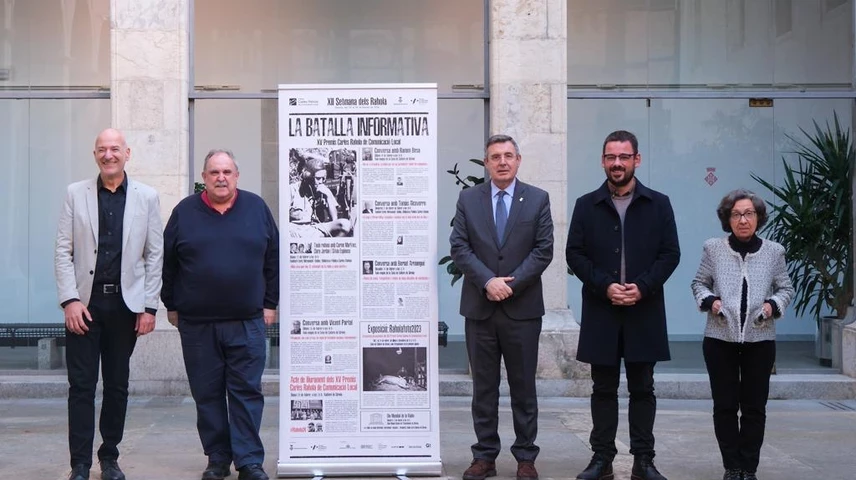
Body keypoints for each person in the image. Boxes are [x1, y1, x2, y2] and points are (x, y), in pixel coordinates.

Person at [566, 130, 680, 480]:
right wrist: (605, 286)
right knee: (602, 390)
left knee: (643, 389)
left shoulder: (658, 203)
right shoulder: (587, 204)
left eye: (624, 157)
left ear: (636, 160)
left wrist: (642, 288)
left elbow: (670, 254)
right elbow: (574, 253)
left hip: (643, 311)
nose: (617, 163)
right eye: (611, 157)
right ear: (603, 161)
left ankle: (643, 461)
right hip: (602, 311)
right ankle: (602, 460)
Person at [162, 149, 279, 480]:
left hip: (248, 322)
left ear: (237, 175)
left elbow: (273, 258)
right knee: (207, 393)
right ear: (204, 177)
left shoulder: (256, 208)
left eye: (227, 171)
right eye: (214, 172)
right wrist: (171, 304)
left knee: (246, 393)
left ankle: (249, 461)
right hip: (198, 324)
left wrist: (270, 303)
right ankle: (217, 458)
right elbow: (168, 262)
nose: (221, 178)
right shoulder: (185, 212)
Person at [55, 128, 163, 480]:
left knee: (117, 385)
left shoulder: (147, 197)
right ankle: (80, 465)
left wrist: (149, 307)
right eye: (102, 149)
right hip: (84, 307)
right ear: (95, 154)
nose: (108, 155)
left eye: (115, 149)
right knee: (81, 387)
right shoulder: (76, 193)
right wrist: (70, 300)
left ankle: (110, 458)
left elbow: (154, 255)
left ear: (127, 153)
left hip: (124, 308)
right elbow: (62, 251)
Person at [450, 134, 553, 480]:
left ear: (518, 160)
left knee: (524, 387)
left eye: (509, 155)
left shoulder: (537, 199)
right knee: (484, 388)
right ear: (487, 163)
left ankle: (526, 457)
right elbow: (459, 246)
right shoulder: (468, 198)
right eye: (495, 156)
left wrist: (509, 285)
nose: (503, 161)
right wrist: (487, 281)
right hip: (480, 310)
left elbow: (543, 250)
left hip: (521, 310)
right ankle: (485, 457)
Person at [691, 189, 794, 480]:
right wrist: (711, 301)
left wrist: (773, 305)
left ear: (758, 217)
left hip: (760, 340)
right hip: (719, 338)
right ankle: (732, 467)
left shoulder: (774, 252)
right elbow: (699, 283)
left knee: (754, 408)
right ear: (727, 219)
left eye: (749, 214)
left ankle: (748, 468)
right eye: (736, 214)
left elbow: (785, 288)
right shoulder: (713, 248)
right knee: (724, 406)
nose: (743, 220)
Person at [289, 156, 352, 238]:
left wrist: (328, 196)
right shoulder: (292, 189)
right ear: (308, 178)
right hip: (296, 230)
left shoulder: (323, 190)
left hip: (314, 228)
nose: (321, 182)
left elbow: (335, 220)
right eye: (318, 178)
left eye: (323, 178)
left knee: (345, 224)